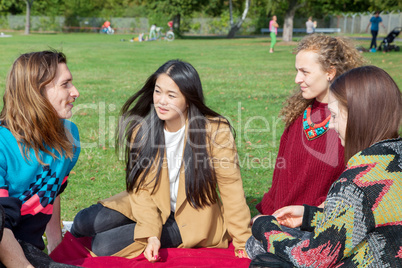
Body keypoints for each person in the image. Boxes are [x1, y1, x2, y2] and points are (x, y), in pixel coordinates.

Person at [70, 60, 251, 261]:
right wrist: (151, 233)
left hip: (191, 218)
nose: (161, 101)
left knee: (103, 245)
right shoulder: (142, 130)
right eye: (158, 91)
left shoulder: (216, 130)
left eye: (171, 95)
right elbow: (142, 190)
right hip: (152, 203)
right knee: (82, 223)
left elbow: (231, 187)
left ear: (189, 99)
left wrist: (243, 240)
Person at [247, 65, 402, 267]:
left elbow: (314, 258)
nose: (330, 125)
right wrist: (309, 216)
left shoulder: (357, 181)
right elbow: (374, 217)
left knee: (263, 258)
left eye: (335, 116)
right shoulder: (394, 157)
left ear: (358, 118)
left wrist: (263, 226)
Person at [256, 34, 364, 217]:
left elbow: (354, 190)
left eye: (305, 72)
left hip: (323, 227)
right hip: (281, 222)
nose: (297, 79)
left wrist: (309, 217)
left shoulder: (350, 123)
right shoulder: (299, 116)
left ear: (330, 72)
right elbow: (280, 178)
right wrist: (267, 215)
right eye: (297, 71)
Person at [0, 51, 80, 267]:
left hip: (28, 248)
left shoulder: (69, 136)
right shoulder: (3, 144)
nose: (76, 92)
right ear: (37, 92)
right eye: (65, 85)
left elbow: (52, 191)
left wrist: (56, 244)